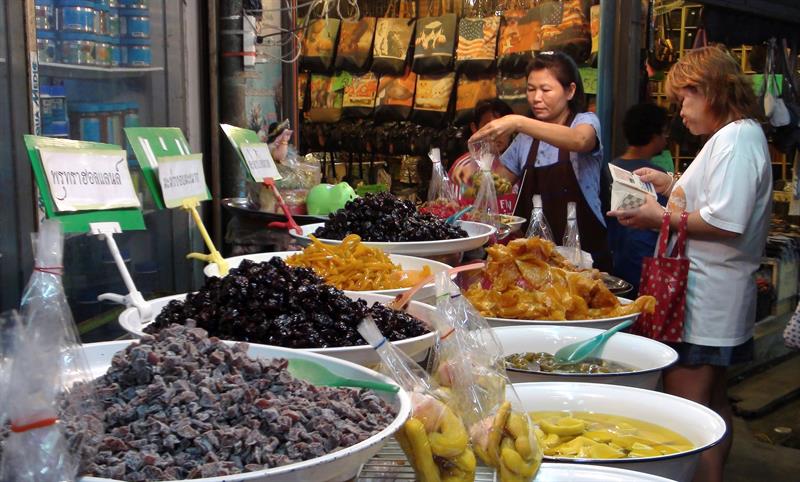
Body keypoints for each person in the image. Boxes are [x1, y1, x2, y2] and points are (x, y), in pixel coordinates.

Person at [608, 45, 772, 482]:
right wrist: (671, 184)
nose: (680, 111)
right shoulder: (734, 137)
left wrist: (655, 216)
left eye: (684, 98)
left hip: (705, 297)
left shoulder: (736, 139)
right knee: (712, 407)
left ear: (710, 92)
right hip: (713, 294)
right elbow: (717, 200)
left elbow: (727, 220)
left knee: (688, 416)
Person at [455, 52, 610, 271]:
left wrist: (518, 121)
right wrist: (475, 176)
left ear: (570, 91)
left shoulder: (585, 122)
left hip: (584, 255)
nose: (536, 98)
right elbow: (499, 183)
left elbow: (579, 140)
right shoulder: (525, 140)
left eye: (546, 90)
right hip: (536, 259)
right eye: (530, 89)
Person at [607, 103, 670, 295]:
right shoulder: (654, 176)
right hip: (647, 262)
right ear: (654, 136)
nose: (666, 139)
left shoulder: (610, 169)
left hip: (617, 264)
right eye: (664, 133)